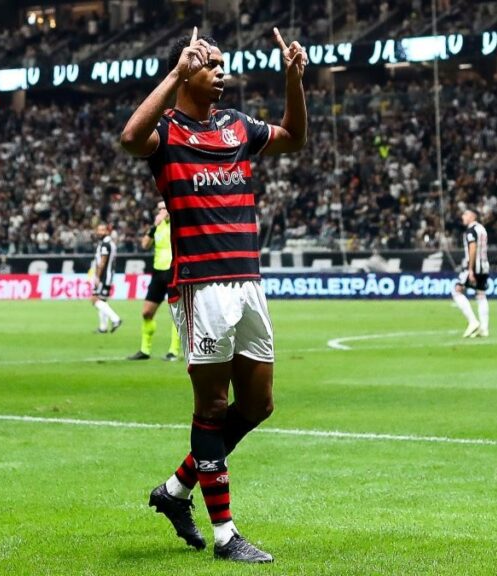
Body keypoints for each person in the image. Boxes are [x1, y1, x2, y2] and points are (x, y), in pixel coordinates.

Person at [120, 27, 307, 563]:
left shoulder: (239, 127)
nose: (222, 72)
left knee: (259, 404)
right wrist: (174, 72)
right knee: (212, 405)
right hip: (202, 287)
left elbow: (294, 136)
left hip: (247, 280)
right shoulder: (167, 134)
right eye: (211, 65)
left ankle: (176, 491)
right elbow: (131, 138)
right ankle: (226, 535)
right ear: (186, 72)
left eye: (224, 64)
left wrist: (294, 80)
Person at [127, 200, 182, 361]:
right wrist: (153, 227)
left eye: (164, 208)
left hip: (174, 270)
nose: (161, 212)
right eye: (159, 209)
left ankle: (173, 350)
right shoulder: (156, 227)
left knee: (176, 313)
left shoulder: (177, 224)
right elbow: (144, 245)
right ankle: (145, 350)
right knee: (147, 312)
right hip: (158, 272)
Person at [452, 209, 490, 338]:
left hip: (475, 266)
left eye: (465, 214)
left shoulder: (471, 231)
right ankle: (484, 328)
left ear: (472, 216)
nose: (463, 216)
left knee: (457, 290)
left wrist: (470, 269)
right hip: (484, 265)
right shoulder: (482, 229)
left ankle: (473, 321)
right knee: (480, 295)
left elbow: (472, 248)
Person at [90, 222, 122, 334]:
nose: (100, 232)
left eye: (102, 230)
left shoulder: (105, 244)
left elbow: (102, 262)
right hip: (108, 276)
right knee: (102, 300)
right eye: (98, 230)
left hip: (104, 276)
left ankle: (115, 319)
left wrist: (97, 277)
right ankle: (103, 327)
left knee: (94, 299)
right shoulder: (110, 243)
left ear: (107, 231)